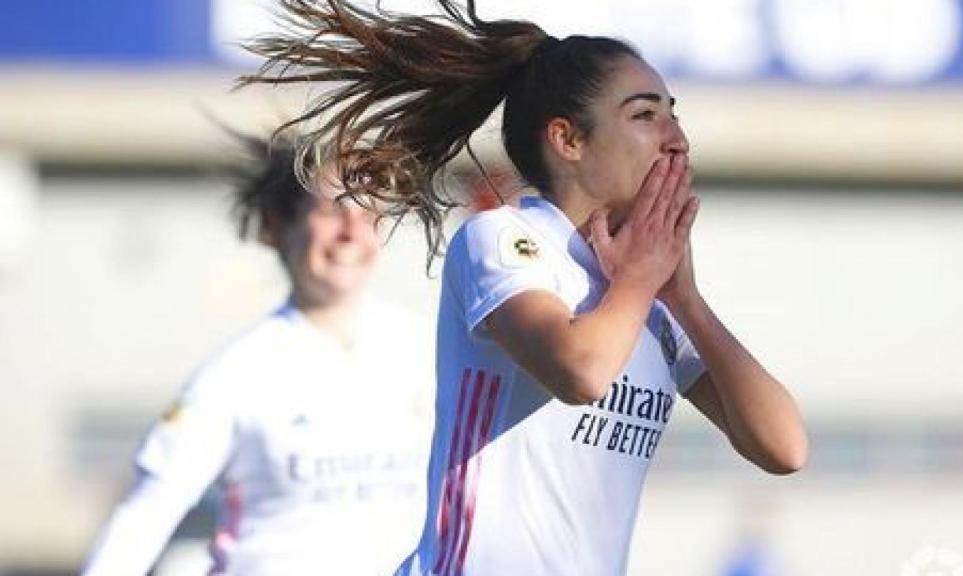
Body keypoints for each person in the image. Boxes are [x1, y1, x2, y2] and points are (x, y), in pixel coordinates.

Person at [243, 2, 808, 574]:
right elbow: (581, 373)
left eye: (673, 114)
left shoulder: (651, 297)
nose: (677, 140)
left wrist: (684, 298)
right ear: (567, 140)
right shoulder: (503, 239)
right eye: (644, 116)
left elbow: (784, 447)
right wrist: (641, 279)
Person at [81, 134, 434, 576]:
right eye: (330, 210)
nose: (351, 231)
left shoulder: (425, 348)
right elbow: (144, 518)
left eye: (367, 213)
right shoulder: (236, 373)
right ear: (277, 227)